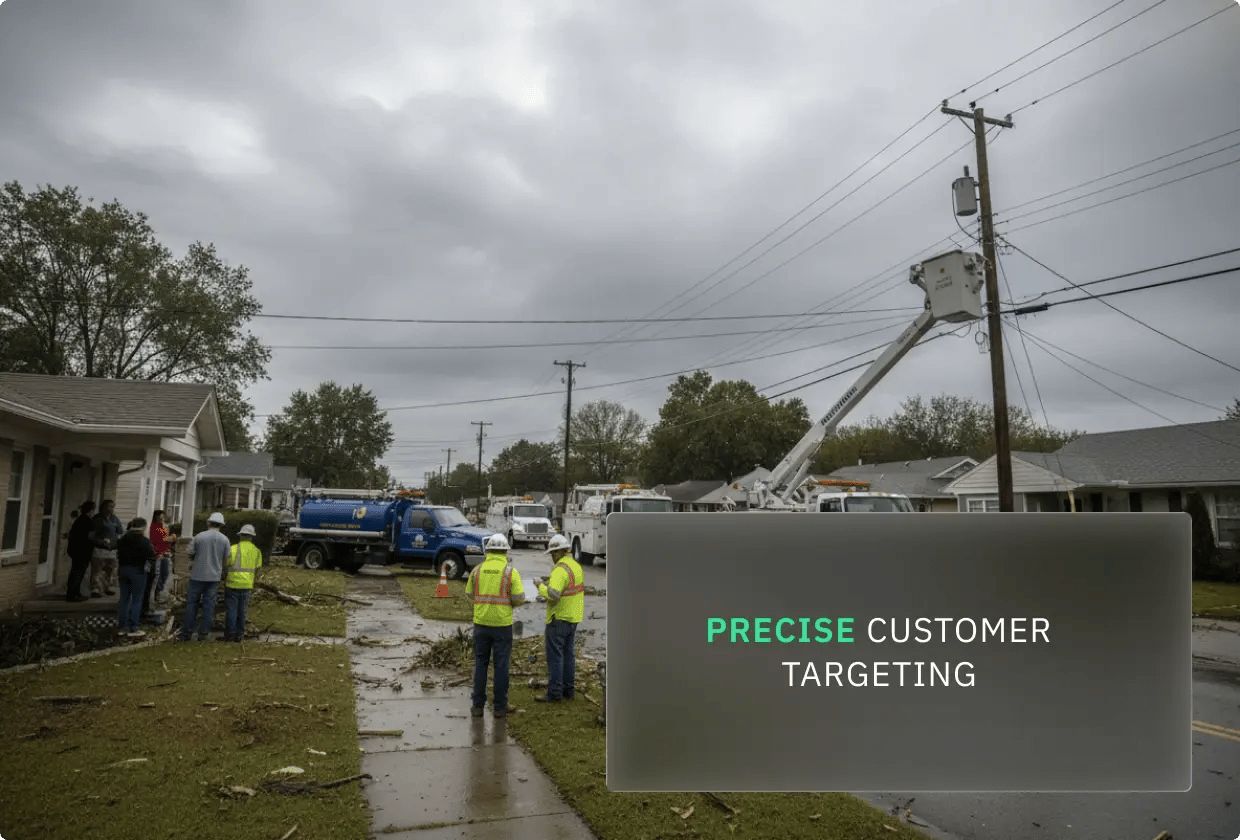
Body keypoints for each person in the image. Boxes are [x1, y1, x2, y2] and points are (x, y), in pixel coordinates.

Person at [466, 534, 526, 718]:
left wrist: (484, 603)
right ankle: (500, 707)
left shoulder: (477, 570)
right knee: (501, 666)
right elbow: (519, 599)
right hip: (502, 625)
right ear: (505, 551)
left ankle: (477, 706)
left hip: (481, 623)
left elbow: (469, 594)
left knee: (480, 664)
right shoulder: (510, 572)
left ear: (488, 551)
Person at [532, 534, 585, 703]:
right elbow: (567, 587)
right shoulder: (575, 566)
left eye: (553, 553)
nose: (552, 557)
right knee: (568, 655)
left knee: (555, 657)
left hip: (559, 618)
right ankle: (569, 691)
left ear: (561, 551)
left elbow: (553, 594)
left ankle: (555, 693)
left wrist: (540, 586)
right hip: (573, 616)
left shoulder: (560, 570)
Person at [179, 512, 231, 642]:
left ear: (208, 523)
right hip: (213, 577)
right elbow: (226, 560)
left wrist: (197, 561)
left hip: (197, 575)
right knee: (209, 606)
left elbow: (190, 554)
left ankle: (187, 633)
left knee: (191, 604)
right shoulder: (224, 539)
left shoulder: (199, 537)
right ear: (221, 525)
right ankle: (204, 633)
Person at [116, 517, 156, 638]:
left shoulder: (123, 539)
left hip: (122, 569)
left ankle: (123, 626)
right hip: (137, 571)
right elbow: (151, 557)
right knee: (137, 599)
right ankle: (134, 626)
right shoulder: (144, 541)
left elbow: (118, 553)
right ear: (143, 527)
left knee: (124, 598)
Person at [223, 524, 263, 643]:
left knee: (231, 611)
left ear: (240, 536)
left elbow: (226, 564)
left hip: (232, 583)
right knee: (242, 611)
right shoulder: (256, 551)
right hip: (247, 585)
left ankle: (229, 635)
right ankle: (239, 635)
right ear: (251, 537)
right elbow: (257, 568)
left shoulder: (233, 548)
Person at [89, 500, 124, 598]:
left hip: (112, 549)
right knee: (97, 570)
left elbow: (120, 531)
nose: (111, 509)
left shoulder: (115, 519)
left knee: (111, 569)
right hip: (100, 548)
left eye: (113, 507)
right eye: (109, 506)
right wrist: (100, 541)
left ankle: (108, 587)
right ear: (103, 507)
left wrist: (118, 540)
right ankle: (95, 588)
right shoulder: (97, 519)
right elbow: (91, 535)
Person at [64, 501, 97, 602]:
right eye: (93, 509)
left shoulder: (80, 520)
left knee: (76, 571)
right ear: (91, 509)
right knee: (78, 572)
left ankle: (74, 593)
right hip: (81, 551)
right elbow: (88, 538)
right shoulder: (86, 521)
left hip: (76, 550)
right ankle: (72, 595)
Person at [148, 510, 175, 606]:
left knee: (165, 573)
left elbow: (166, 538)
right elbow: (158, 540)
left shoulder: (163, 527)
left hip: (166, 553)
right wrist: (170, 538)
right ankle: (155, 596)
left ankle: (159, 592)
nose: (161, 519)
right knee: (156, 574)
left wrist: (170, 537)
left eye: (162, 517)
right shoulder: (153, 527)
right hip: (158, 554)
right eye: (159, 517)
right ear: (155, 517)